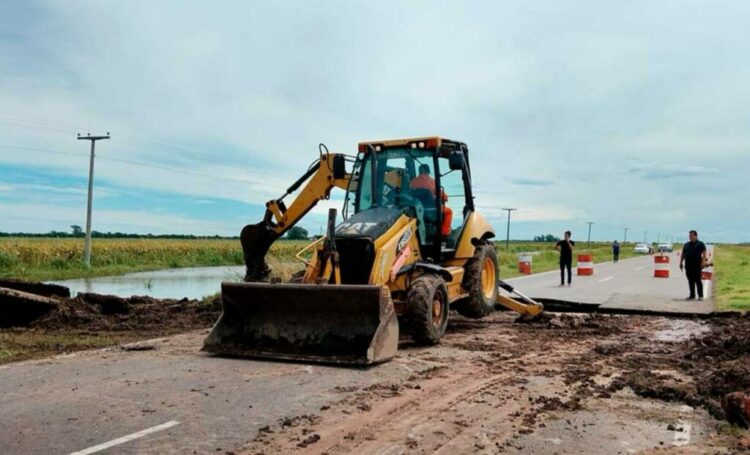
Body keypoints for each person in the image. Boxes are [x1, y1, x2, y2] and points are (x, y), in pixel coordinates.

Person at [410, 164, 453, 236]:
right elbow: (445, 197)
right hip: (432, 210)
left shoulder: (412, 182)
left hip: (416, 210)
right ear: (428, 171)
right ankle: (444, 233)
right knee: (449, 212)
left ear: (419, 171)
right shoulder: (432, 181)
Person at [680, 230, 707, 300]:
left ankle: (700, 296)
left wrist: (703, 262)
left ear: (696, 236)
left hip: (697, 265)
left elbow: (704, 253)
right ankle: (692, 295)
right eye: (689, 235)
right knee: (690, 280)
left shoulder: (700, 244)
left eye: (691, 235)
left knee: (698, 280)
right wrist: (681, 262)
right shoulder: (686, 245)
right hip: (688, 266)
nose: (690, 237)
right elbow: (683, 254)